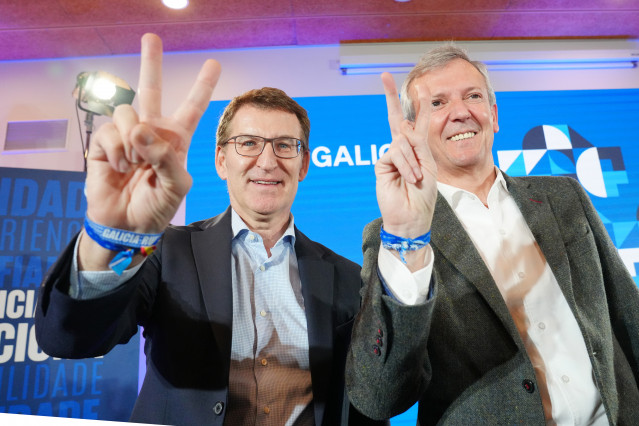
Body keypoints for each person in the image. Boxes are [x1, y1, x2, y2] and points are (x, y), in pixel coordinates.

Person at [35, 33, 381, 426]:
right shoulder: (166, 252)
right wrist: (108, 237)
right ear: (221, 161)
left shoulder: (348, 276)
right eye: (248, 143)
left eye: (285, 145)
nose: (267, 161)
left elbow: (366, 402)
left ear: (303, 165)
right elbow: (69, 339)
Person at [345, 43, 639, 425]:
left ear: (494, 114)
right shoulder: (394, 235)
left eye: (473, 96)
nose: (461, 112)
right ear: (411, 130)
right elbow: (378, 396)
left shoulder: (563, 196)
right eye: (437, 104)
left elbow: (627, 313)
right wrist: (409, 238)